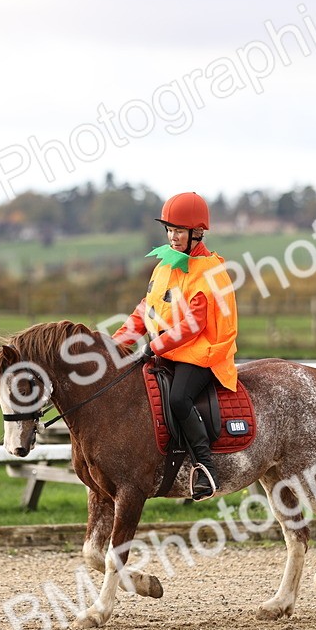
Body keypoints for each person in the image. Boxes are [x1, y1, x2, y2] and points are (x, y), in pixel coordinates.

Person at [112, 192, 239, 501]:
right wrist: (115, 344)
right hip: (167, 350)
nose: (173, 236)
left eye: (179, 230)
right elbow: (146, 310)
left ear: (198, 233)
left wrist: (155, 346)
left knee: (180, 399)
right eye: (169, 229)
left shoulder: (209, 271)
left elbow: (194, 324)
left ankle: (205, 467)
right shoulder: (165, 266)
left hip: (203, 352)